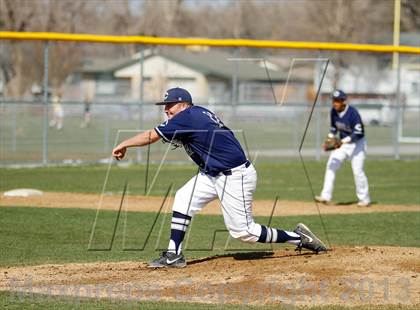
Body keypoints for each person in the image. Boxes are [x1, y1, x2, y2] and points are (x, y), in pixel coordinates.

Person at [112, 87, 327, 268]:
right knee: (183, 198)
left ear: (184, 104)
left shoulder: (187, 117)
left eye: (171, 105)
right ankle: (174, 254)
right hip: (213, 173)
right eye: (165, 106)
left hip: (235, 176)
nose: (166, 109)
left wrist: (123, 143)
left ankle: (300, 238)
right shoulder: (196, 114)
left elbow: (151, 136)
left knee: (245, 233)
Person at [315, 90, 371, 207]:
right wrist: (329, 139)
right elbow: (334, 128)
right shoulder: (333, 112)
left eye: (337, 101)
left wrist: (341, 141)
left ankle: (364, 199)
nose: (334, 103)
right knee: (331, 165)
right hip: (343, 145)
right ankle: (325, 196)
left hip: (357, 145)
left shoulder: (352, 113)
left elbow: (358, 133)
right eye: (333, 101)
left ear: (343, 101)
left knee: (358, 172)